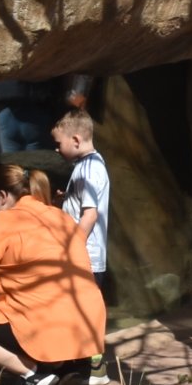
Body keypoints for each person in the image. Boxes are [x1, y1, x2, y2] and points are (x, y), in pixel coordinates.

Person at [0, 163, 103, 385]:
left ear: (2, 196)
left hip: (44, 323)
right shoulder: (60, 216)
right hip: (87, 325)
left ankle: (32, 373)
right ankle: (64, 367)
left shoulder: (2, 222)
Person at [51, 110, 112, 280]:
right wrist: (66, 199)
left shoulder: (88, 170)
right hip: (84, 258)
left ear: (76, 140)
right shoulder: (89, 164)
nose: (56, 149)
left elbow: (90, 216)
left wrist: (73, 247)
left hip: (84, 259)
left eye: (59, 144)